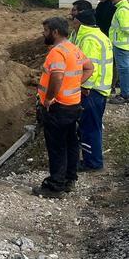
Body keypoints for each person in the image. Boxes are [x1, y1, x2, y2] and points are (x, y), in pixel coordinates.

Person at [32, 17, 93, 198]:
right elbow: (90, 68)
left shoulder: (56, 52)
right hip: (73, 105)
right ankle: (69, 179)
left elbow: (57, 78)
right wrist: (75, 84)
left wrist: (49, 98)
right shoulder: (73, 49)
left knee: (57, 146)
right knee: (71, 143)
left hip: (58, 108)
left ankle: (55, 186)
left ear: (55, 32)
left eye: (45, 31)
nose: (43, 34)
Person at [72, 9, 113, 171]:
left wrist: (84, 87)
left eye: (74, 21)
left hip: (91, 91)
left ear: (79, 23)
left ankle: (92, 163)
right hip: (100, 90)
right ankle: (92, 160)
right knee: (92, 127)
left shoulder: (88, 39)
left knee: (89, 128)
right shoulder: (100, 35)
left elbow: (90, 67)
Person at [109, 0, 129, 102]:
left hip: (121, 45)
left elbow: (126, 28)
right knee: (125, 69)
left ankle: (125, 95)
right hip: (123, 45)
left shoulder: (122, 10)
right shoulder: (123, 7)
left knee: (123, 70)